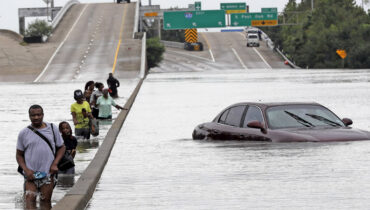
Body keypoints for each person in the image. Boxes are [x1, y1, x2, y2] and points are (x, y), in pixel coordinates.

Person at [16, 104, 65, 210]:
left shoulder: (52, 128)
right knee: (29, 202)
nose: (36, 117)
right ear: (29, 116)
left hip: (48, 174)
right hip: (30, 176)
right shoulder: (23, 133)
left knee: (46, 203)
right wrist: (26, 170)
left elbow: (61, 147)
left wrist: (55, 164)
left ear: (43, 115)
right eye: (33, 115)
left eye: (38, 115)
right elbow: (19, 155)